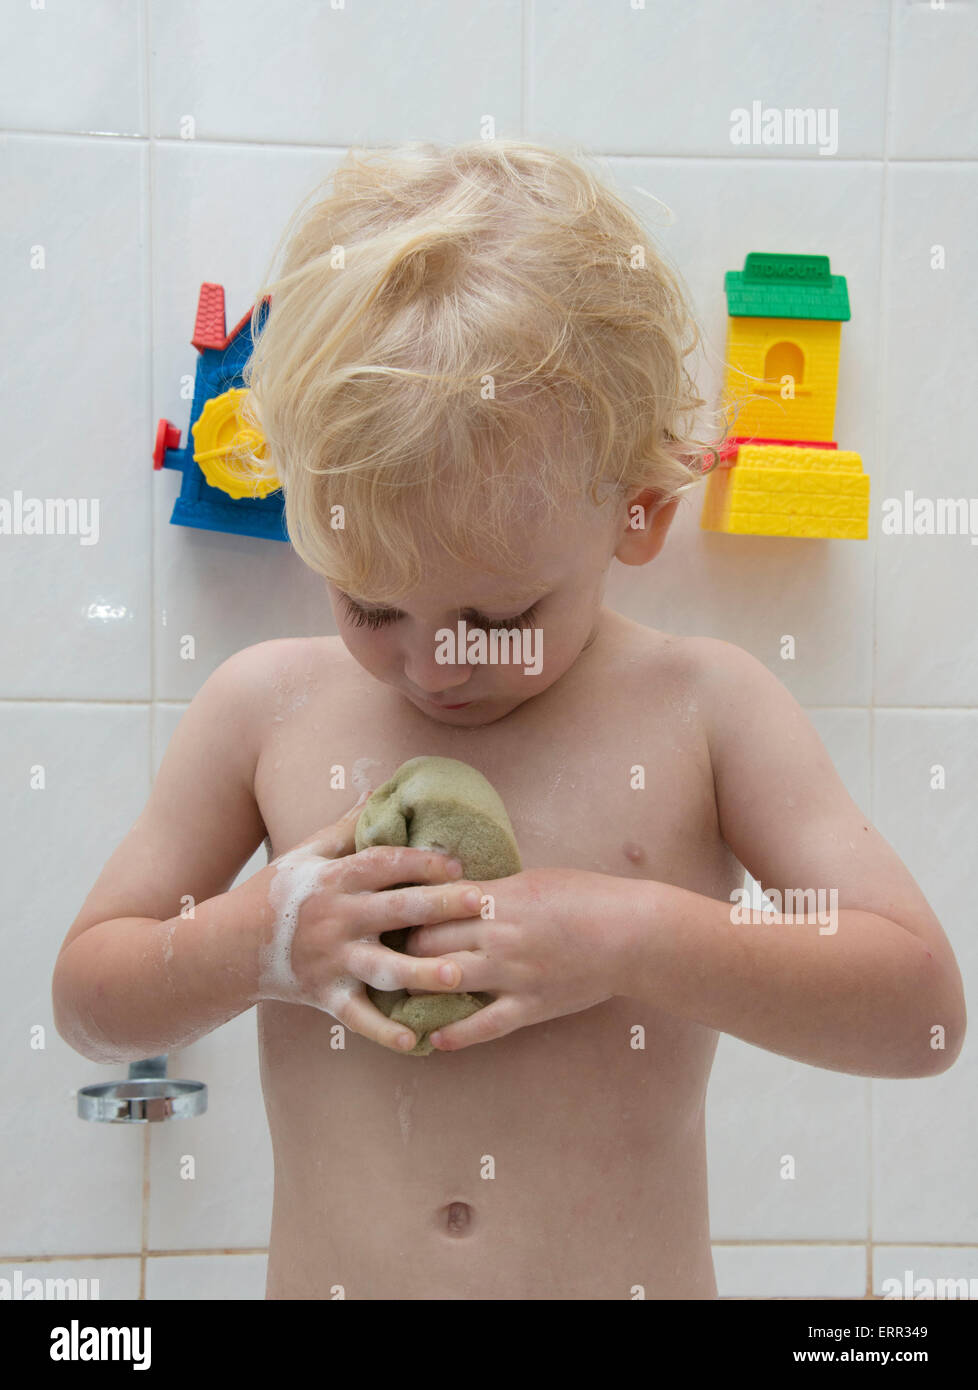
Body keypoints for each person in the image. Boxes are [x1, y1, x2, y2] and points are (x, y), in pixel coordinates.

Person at [53, 140, 966, 1300]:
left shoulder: (707, 710)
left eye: (499, 610)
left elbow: (921, 1014)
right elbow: (87, 1000)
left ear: (639, 511)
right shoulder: (263, 710)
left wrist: (634, 933)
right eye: (371, 604)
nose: (438, 666)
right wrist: (261, 941)